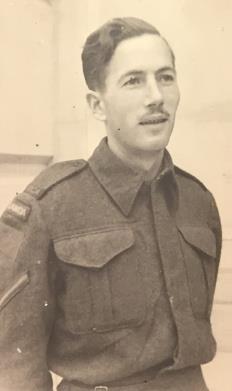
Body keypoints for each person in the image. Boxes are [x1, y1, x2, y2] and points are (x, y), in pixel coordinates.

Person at [0, 17, 222, 391]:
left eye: (165, 77)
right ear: (97, 105)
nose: (156, 96)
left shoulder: (197, 202)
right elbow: (13, 365)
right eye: (134, 81)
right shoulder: (51, 207)